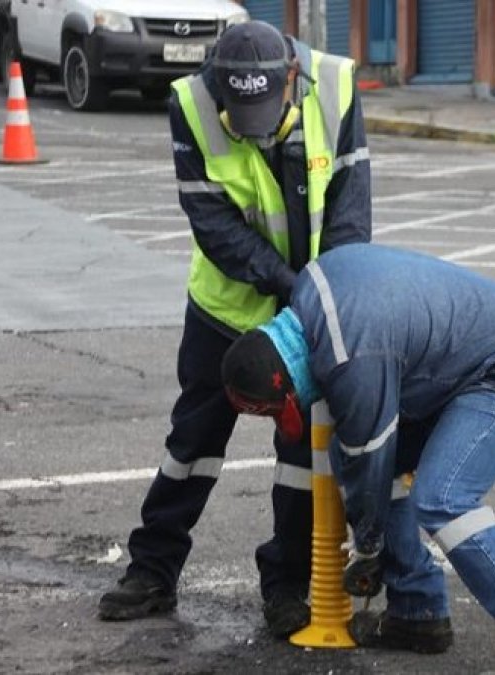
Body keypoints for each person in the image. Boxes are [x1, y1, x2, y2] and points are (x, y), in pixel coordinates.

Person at [98, 20, 371, 638]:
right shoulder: (191, 106)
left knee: (303, 456)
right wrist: (288, 282)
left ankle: (287, 588)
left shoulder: (336, 89)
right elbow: (214, 225)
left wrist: (328, 300)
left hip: (307, 313)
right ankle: (152, 570)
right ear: (217, 85)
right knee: (193, 442)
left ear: (291, 81)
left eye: (263, 109)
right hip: (225, 309)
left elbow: (352, 214)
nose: (250, 124)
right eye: (236, 109)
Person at [220, 243, 495, 675]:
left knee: (443, 497)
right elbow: (367, 460)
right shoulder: (309, 293)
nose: (299, 409)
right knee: (356, 458)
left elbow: (371, 457)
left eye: (286, 406)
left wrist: (368, 548)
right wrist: (369, 535)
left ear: (286, 378)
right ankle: (418, 613)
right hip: (466, 362)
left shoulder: (351, 357)